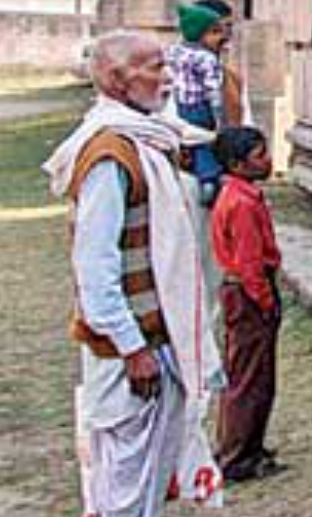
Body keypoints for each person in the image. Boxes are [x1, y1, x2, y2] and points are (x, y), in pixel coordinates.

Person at [43, 31, 224, 517]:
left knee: (143, 485)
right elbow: (95, 267)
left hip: (156, 341)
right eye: (152, 68)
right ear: (118, 82)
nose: (167, 78)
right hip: (134, 353)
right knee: (126, 492)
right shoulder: (110, 154)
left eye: (165, 65)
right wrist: (132, 347)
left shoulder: (146, 140)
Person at [211, 126, 285, 483]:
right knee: (249, 378)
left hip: (244, 291)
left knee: (252, 373)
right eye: (259, 156)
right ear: (237, 164)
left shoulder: (241, 196)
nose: (268, 161)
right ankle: (237, 456)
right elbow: (250, 262)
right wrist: (266, 302)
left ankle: (245, 446)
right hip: (249, 294)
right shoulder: (240, 204)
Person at [166, 3, 228, 204]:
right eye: (215, 32)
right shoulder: (206, 58)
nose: (222, 38)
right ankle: (208, 179)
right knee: (204, 142)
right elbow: (213, 90)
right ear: (200, 34)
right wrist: (219, 117)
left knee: (186, 140)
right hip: (200, 107)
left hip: (178, 106)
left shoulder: (173, 52)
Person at [195, 0, 252, 127]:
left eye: (228, 27)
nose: (225, 36)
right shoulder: (169, 75)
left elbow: (244, 126)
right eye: (215, 30)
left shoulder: (234, 79)